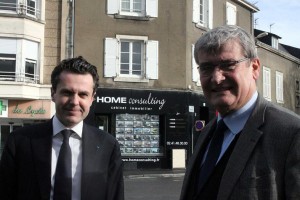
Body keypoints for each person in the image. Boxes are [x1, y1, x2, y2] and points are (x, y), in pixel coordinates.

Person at [180, 25, 300, 200]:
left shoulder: (291, 134)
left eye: (228, 65)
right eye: (206, 68)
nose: (216, 78)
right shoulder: (208, 132)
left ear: (255, 68)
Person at [0, 56, 124, 200]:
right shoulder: (20, 141)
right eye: (67, 93)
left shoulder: (107, 145)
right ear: (53, 94)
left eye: (83, 94)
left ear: (92, 99)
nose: (74, 102)